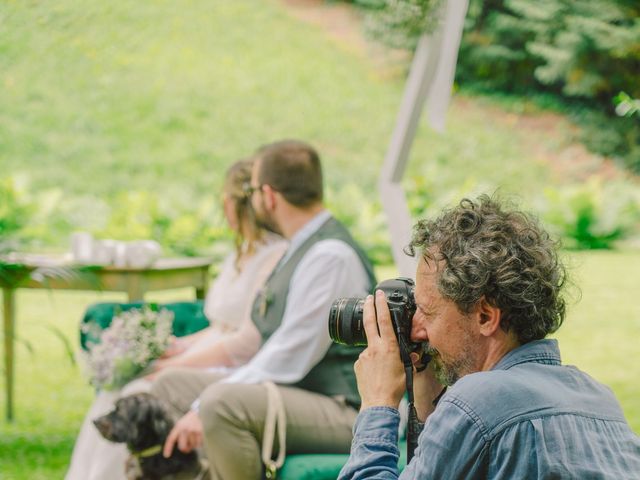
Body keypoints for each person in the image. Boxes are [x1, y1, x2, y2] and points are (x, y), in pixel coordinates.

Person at [339, 195, 640, 479]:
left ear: (485, 316)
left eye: (428, 313)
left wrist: (378, 402)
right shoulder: (599, 399)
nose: (417, 329)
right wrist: (426, 390)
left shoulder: (477, 400)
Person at [150, 139, 377, 479]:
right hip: (301, 392)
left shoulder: (330, 256)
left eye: (253, 190)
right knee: (168, 387)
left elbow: (290, 354)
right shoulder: (299, 247)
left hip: (345, 408)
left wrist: (203, 403)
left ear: (268, 195)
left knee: (220, 405)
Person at [65, 158, 287, 480]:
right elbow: (219, 324)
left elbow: (243, 340)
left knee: (139, 390)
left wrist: (176, 365)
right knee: (115, 387)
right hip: (211, 349)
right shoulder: (239, 254)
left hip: (232, 364)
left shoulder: (275, 256)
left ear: (235, 204)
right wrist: (174, 347)